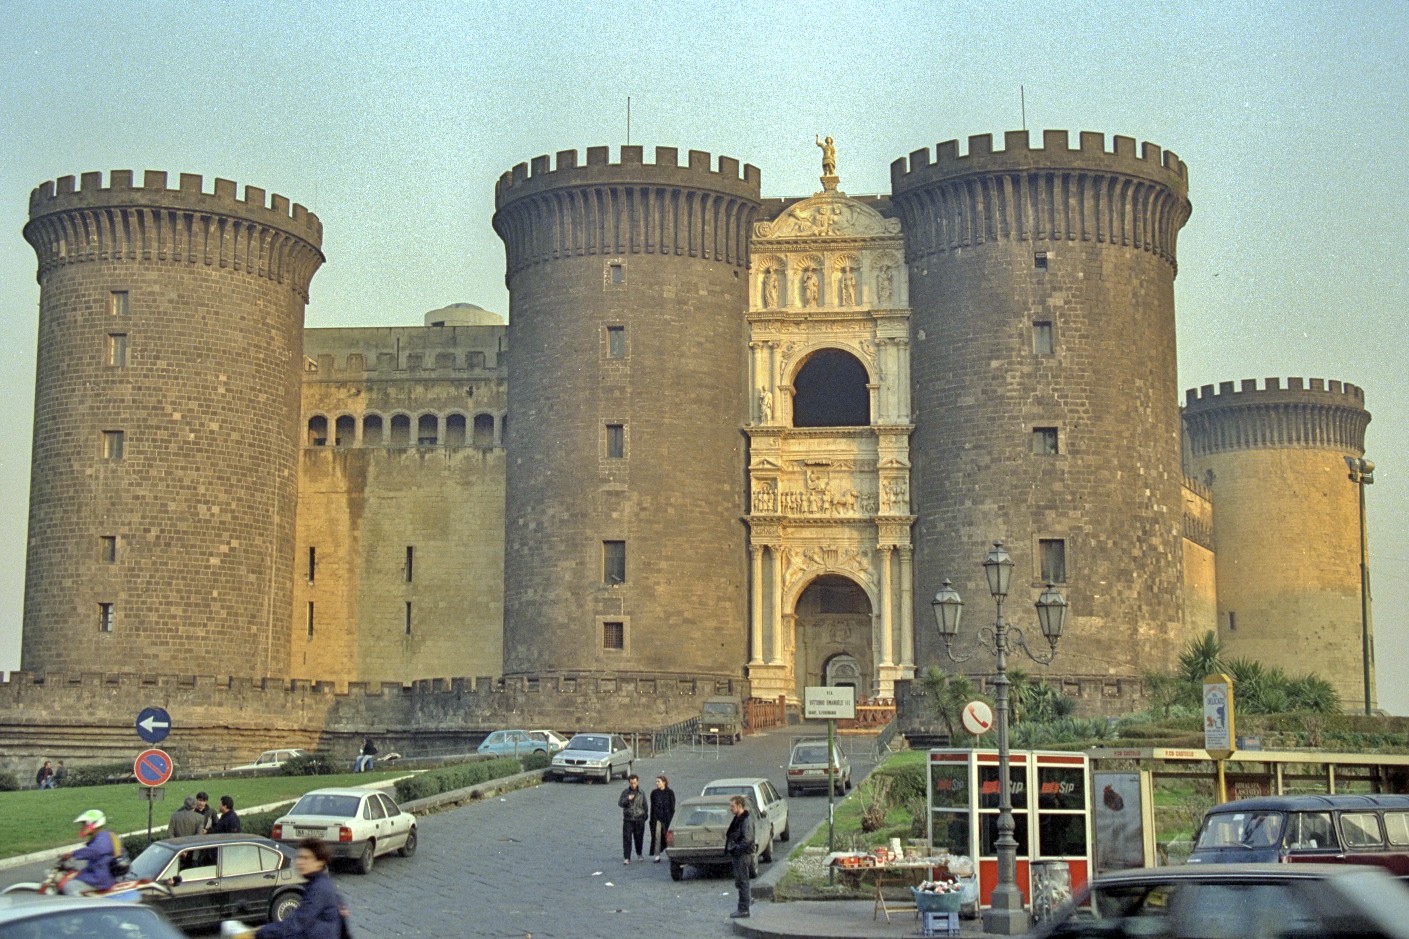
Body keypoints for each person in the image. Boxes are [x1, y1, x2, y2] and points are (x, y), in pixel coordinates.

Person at [232, 838, 347, 939]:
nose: (300, 862)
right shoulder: (321, 884)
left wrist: (256, 933)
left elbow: (296, 923)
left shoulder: (319, 889)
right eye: (299, 857)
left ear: (319, 862)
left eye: (306, 858)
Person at [61, 809, 117, 895]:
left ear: (94, 823)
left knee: (69, 886)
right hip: (96, 873)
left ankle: (78, 904)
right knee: (72, 876)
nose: (83, 827)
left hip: (99, 878)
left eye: (85, 824)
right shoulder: (100, 837)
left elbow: (94, 851)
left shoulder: (104, 838)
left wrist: (72, 854)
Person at [724, 795, 755, 919]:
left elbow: (747, 839)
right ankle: (742, 907)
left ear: (740, 806)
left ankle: (744, 909)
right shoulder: (738, 819)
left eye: (732, 806)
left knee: (743, 882)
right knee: (740, 881)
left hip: (743, 855)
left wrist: (736, 849)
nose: (730, 808)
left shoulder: (745, 820)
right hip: (739, 854)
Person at [618, 773, 647, 864]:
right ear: (629, 783)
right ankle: (627, 857)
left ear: (637, 782)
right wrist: (627, 799)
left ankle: (639, 853)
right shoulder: (625, 792)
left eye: (634, 783)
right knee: (627, 839)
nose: (633, 785)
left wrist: (644, 817)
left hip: (639, 818)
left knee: (639, 838)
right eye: (631, 783)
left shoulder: (641, 792)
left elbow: (645, 805)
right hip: (628, 819)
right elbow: (620, 803)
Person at [648, 774, 676, 863]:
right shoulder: (654, 793)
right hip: (657, 818)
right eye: (656, 781)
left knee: (668, 836)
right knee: (657, 836)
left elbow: (672, 807)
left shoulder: (670, 793)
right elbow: (652, 807)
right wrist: (652, 819)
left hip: (667, 818)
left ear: (664, 782)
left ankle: (670, 854)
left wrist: (672, 819)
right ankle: (657, 855)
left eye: (658, 781)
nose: (657, 783)